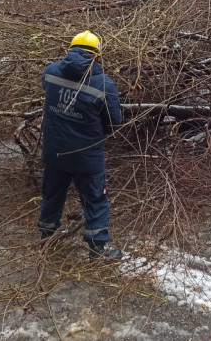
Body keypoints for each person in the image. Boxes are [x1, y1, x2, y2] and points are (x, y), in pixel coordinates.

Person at [37, 30, 123, 261]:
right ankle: (98, 250)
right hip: (86, 156)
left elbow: (50, 92)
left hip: (54, 151)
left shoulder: (51, 72)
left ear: (70, 49)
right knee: (95, 198)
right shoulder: (103, 84)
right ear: (97, 55)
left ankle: (46, 238)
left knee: (52, 195)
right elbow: (115, 122)